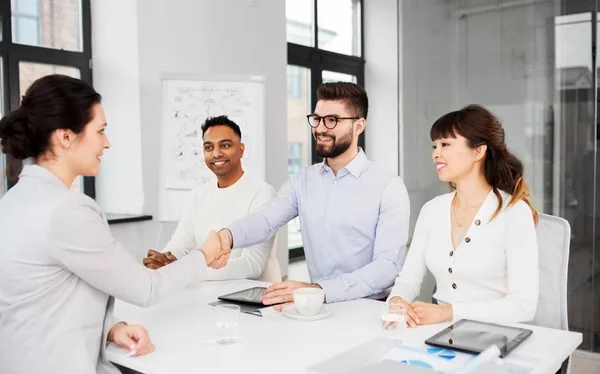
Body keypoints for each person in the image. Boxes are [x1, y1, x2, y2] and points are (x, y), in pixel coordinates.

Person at [0, 75, 226, 374]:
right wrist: (206, 253)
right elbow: (148, 289)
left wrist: (110, 328)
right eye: (100, 131)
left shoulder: (14, 200)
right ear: (66, 137)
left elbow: (42, 300)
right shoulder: (66, 211)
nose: (106, 143)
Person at [218, 82, 410, 309]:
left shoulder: (388, 187)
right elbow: (267, 219)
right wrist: (227, 237)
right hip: (316, 307)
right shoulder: (302, 180)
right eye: (317, 119)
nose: (320, 128)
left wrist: (319, 290)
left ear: (359, 125)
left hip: (369, 310)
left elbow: (387, 267)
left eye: (332, 120)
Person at [387, 104, 539, 327]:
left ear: (479, 151)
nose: (435, 154)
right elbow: (409, 278)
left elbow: (524, 306)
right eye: (435, 146)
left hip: (497, 337)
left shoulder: (514, 212)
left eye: (446, 144)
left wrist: (449, 312)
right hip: (438, 333)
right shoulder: (432, 210)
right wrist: (398, 300)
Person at [143, 115, 278, 281]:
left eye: (225, 145)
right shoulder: (197, 195)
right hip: (204, 292)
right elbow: (180, 246)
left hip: (250, 298)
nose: (216, 153)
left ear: (241, 150)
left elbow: (253, 264)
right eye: (208, 148)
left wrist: (190, 270)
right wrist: (165, 260)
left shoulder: (263, 193)